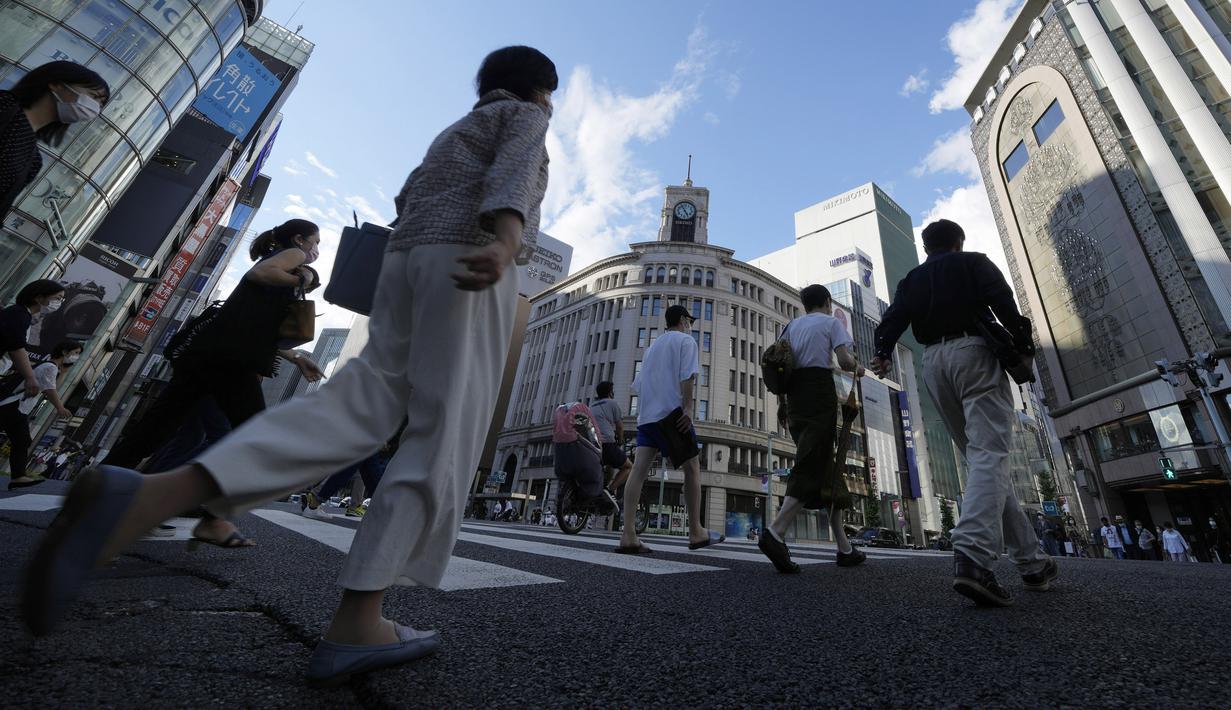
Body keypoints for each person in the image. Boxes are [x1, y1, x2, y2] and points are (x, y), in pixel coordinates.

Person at [21, 46, 557, 686]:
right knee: (443, 432)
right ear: (540, 90)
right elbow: (517, 170)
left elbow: (407, 195)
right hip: (471, 263)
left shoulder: (456, 130)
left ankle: (156, 493)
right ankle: (359, 620)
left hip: (407, 263)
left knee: (354, 406)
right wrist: (504, 240)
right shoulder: (524, 118)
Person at [96, 218, 325, 548]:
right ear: (300, 239)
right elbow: (257, 275)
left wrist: (296, 357)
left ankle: (96, 500)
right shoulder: (292, 255)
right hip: (230, 362)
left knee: (151, 433)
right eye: (314, 242)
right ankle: (211, 518)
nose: (315, 250)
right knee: (254, 439)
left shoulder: (281, 266)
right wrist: (302, 270)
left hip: (210, 356)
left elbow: (255, 320)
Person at [870, 219, 1054, 607]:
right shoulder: (972, 262)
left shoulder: (911, 279)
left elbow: (893, 319)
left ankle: (1031, 561)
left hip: (933, 363)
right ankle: (970, 553)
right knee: (990, 452)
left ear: (926, 248)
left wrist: (883, 353)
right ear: (958, 241)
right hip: (974, 353)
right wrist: (1023, 346)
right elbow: (1004, 302)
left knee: (982, 457)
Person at [757, 284, 865, 573]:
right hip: (818, 392)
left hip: (793, 397)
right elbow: (844, 361)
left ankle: (844, 548)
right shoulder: (831, 323)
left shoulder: (791, 326)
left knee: (824, 465)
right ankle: (776, 531)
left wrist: (782, 404)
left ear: (804, 304)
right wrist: (858, 368)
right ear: (828, 302)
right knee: (812, 461)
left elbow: (782, 362)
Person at [617, 304, 725, 554]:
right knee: (692, 467)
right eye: (690, 320)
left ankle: (628, 534)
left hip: (647, 417)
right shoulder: (686, 342)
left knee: (638, 472)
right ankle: (697, 531)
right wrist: (688, 408)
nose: (691, 325)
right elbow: (688, 375)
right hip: (671, 416)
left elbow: (639, 384)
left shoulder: (652, 347)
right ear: (682, 320)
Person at [1, 61, 109, 221]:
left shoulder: (33, 159)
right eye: (93, 97)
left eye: (100, 105)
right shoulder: (4, 105)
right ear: (56, 84)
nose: (95, 108)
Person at [0, 340, 80, 489]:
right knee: (22, 441)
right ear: (64, 352)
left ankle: (18, 476)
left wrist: (64, 371)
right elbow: (50, 390)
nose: (77, 357)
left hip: (16, 408)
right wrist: (60, 407)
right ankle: (18, 476)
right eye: (75, 353)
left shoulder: (52, 368)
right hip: (13, 406)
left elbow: (54, 386)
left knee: (22, 441)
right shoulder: (49, 367)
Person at [1, 280, 66, 427]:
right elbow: (16, 348)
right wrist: (30, 377)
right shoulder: (20, 314)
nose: (59, 302)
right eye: (57, 298)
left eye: (62, 299)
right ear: (39, 298)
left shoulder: (21, 314)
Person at [589, 381, 633, 496]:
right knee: (628, 466)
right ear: (610, 392)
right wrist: (620, 439)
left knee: (608, 465)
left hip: (591, 445)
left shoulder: (591, 406)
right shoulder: (612, 403)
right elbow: (619, 426)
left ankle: (601, 488)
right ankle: (609, 490)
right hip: (607, 443)